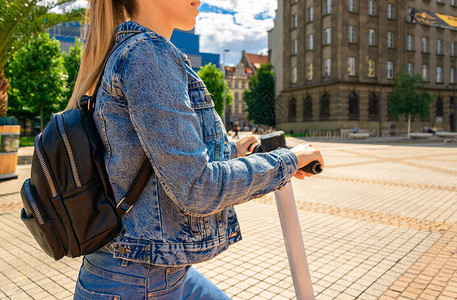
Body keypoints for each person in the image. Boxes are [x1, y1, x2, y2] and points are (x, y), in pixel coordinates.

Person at [68, 0, 324, 299]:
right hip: (139, 281)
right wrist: (287, 160)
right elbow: (197, 188)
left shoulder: (133, 51)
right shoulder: (147, 54)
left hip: (144, 268)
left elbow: (158, 166)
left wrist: (231, 152)